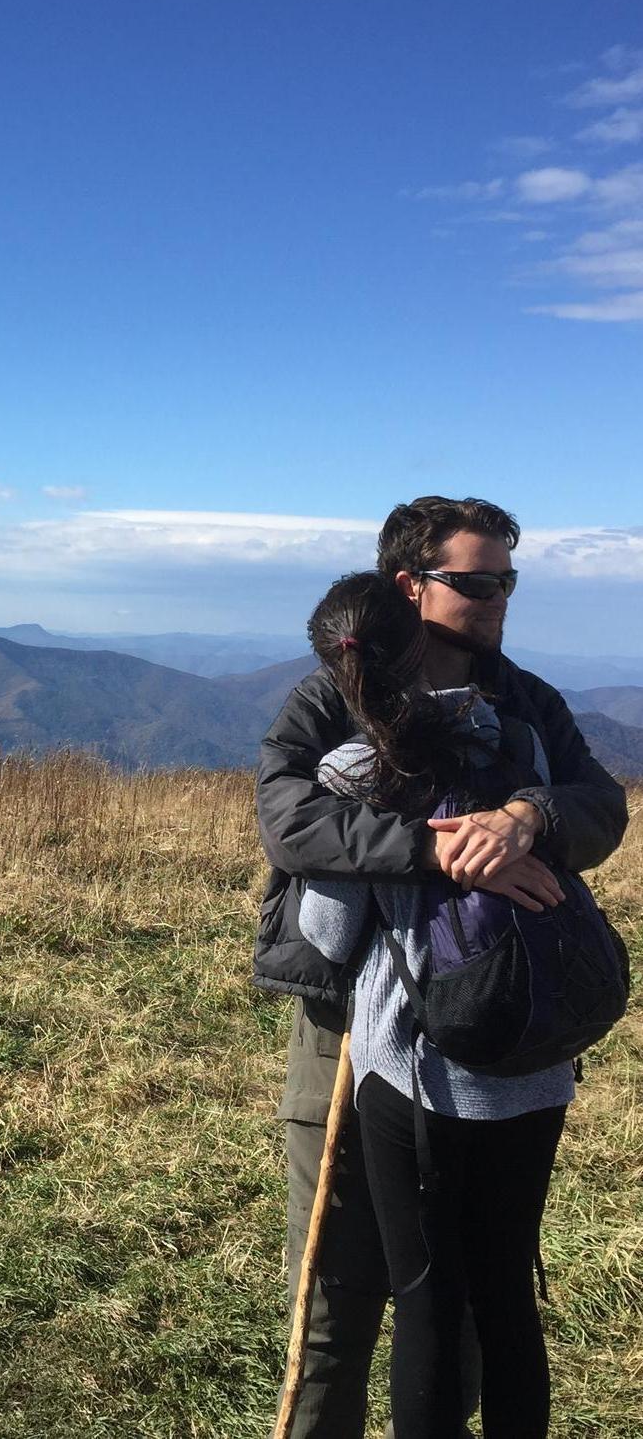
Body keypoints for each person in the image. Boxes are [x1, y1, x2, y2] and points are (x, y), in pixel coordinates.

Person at [255, 496, 628, 1437]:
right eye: (474, 581)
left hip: (493, 1025)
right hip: (352, 1025)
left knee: (460, 1294)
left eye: (506, 578)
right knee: (336, 1288)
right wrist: (437, 847)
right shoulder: (329, 696)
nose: (497, 596)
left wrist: (526, 819)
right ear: (407, 584)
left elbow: (600, 808)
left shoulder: (525, 699)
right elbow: (288, 822)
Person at [300, 569, 578, 1437]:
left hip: (419, 1071)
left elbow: (329, 933)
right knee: (504, 1291)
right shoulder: (519, 744)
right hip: (535, 1061)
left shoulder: (355, 770)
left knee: (427, 1296)